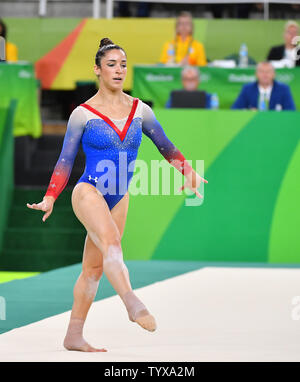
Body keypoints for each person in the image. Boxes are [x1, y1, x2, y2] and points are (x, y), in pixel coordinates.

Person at [26, 38, 208, 352]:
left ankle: (73, 334)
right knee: (111, 241)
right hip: (89, 190)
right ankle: (131, 301)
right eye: (111, 64)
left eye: (123, 64)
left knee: (94, 269)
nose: (119, 70)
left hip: (119, 195)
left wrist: (188, 172)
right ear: (97, 70)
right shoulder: (82, 114)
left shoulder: (141, 110)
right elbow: (65, 160)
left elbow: (166, 146)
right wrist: (51, 196)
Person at [231, 61, 296, 111]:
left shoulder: (283, 89)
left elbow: (291, 111)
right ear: (256, 74)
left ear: (274, 74)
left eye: (268, 72)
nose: (265, 75)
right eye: (261, 72)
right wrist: (248, 112)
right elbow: (234, 109)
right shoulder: (247, 89)